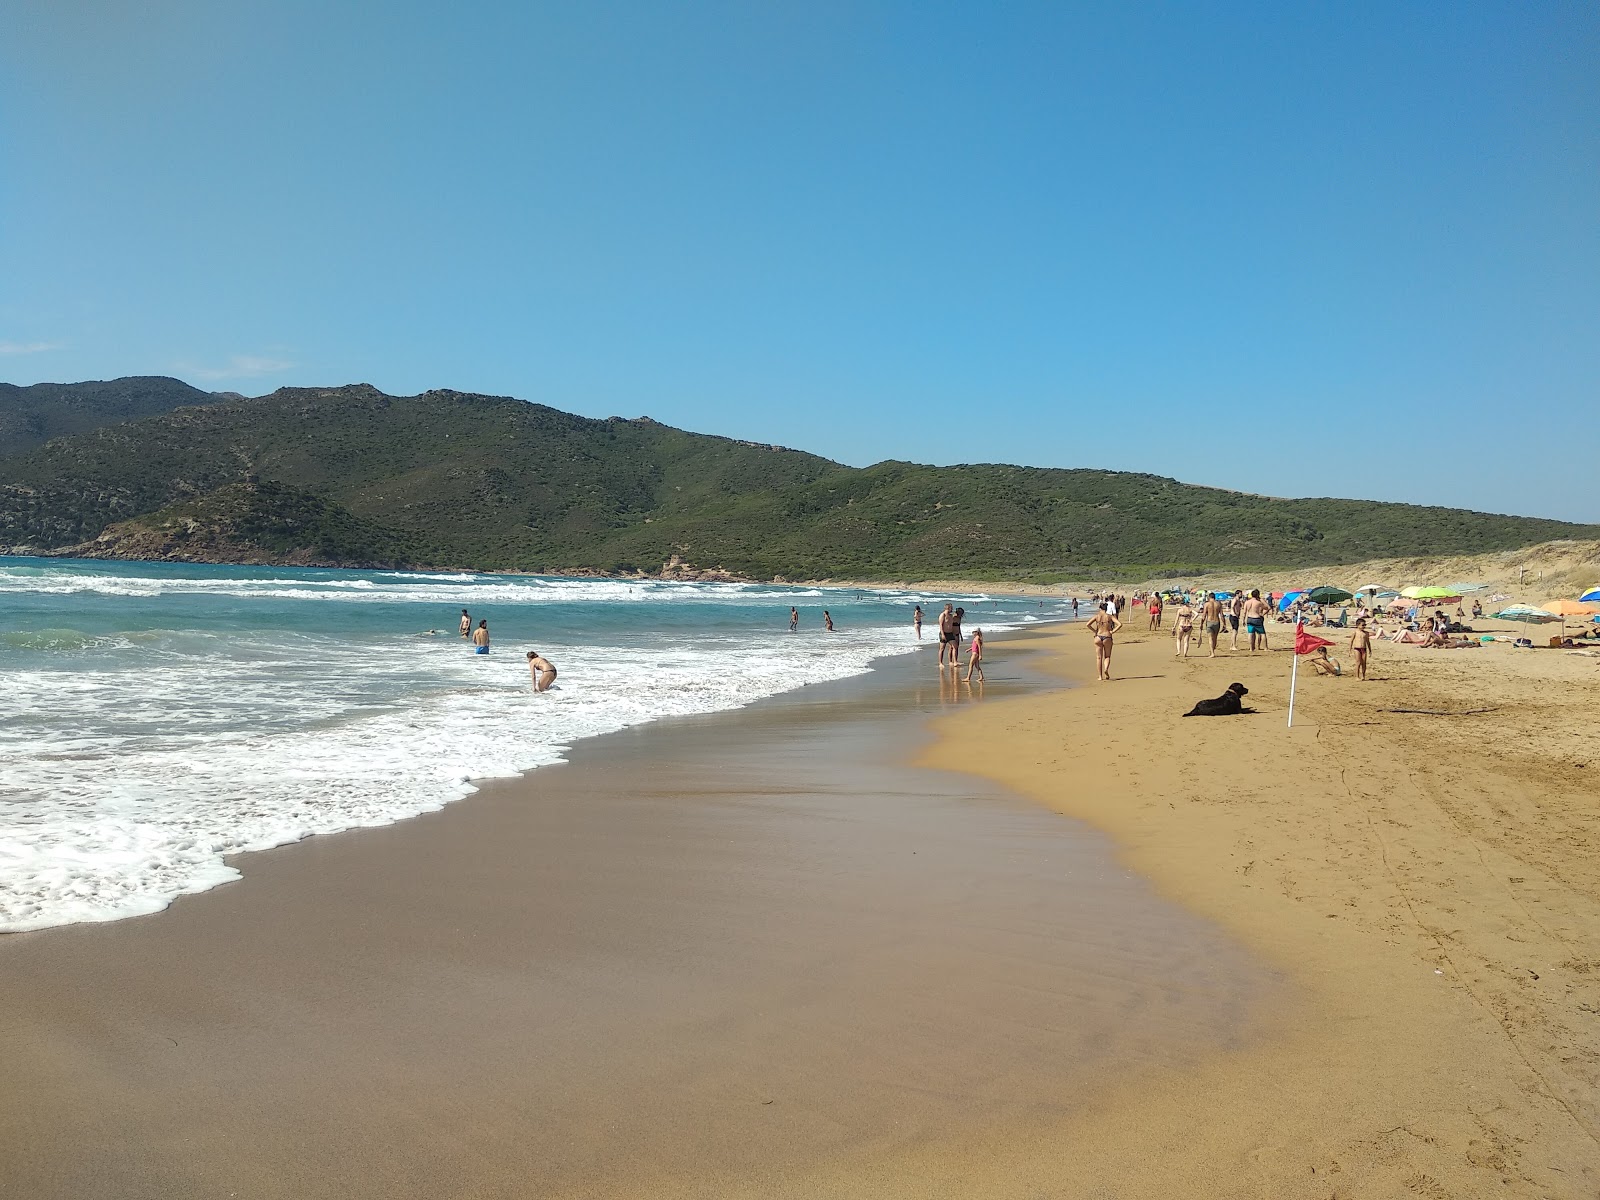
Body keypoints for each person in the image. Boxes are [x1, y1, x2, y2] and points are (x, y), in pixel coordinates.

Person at [1086, 602, 1122, 681]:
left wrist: (1095, 631)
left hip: (1098, 636)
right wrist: (1112, 631)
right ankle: (1106, 669)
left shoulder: (1097, 616)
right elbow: (1120, 624)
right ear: (1106, 609)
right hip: (1107, 636)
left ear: (1100, 608)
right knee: (1107, 656)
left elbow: (1088, 624)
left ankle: (1100, 676)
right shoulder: (1109, 616)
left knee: (1099, 657)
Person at [1201, 592, 1225, 657]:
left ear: (1209, 597)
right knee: (1215, 638)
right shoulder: (1218, 604)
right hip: (1217, 622)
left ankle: (1212, 653)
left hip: (1209, 622)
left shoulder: (1206, 604)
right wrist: (1224, 624)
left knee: (1210, 638)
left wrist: (1201, 624)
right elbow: (1222, 615)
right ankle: (1212, 651)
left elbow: (1204, 615)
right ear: (1214, 597)